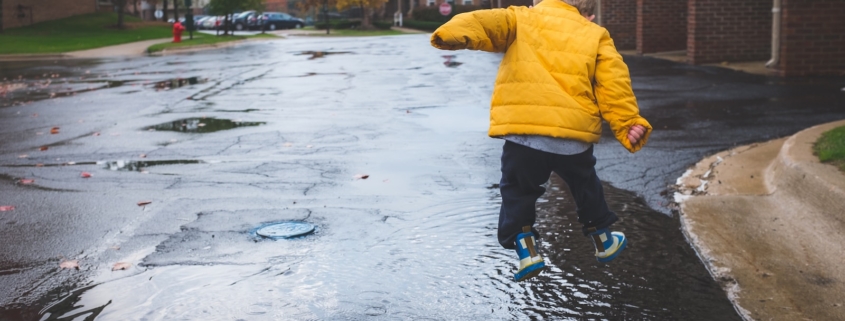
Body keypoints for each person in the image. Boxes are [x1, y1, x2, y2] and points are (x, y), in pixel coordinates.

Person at [430, 0, 651, 282]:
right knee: (585, 183)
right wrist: (627, 122)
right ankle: (604, 240)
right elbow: (613, 84)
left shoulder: (521, 19)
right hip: (572, 135)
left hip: (524, 134)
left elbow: (484, 22)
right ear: (586, 10)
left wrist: (450, 33)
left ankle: (527, 250)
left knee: (517, 190)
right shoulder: (594, 33)